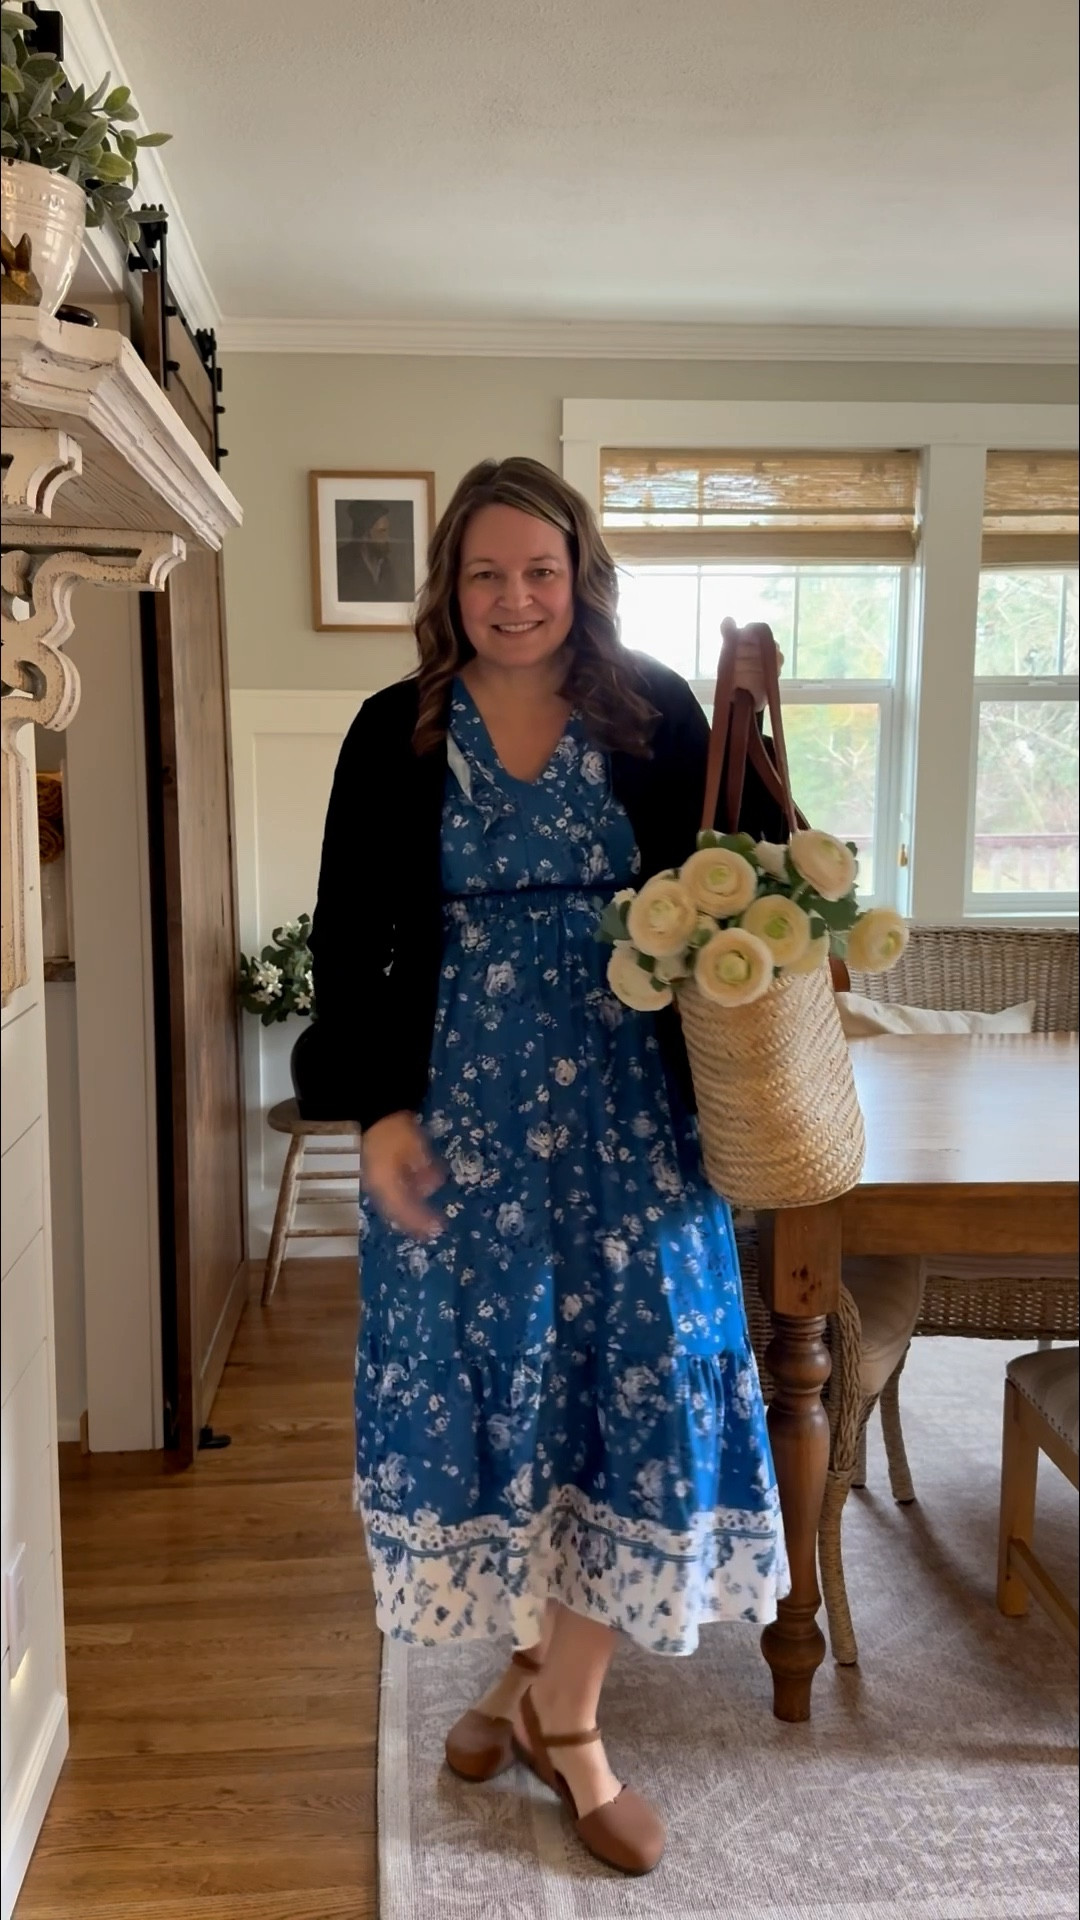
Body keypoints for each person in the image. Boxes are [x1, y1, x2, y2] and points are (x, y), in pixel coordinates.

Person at [310, 457, 787, 1878]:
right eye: (485, 574)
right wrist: (377, 1111)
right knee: (499, 1405)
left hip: (639, 1118)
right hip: (460, 1120)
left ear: (579, 572)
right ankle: (522, 1684)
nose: (516, 599)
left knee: (634, 1391)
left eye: (540, 569)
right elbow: (348, 934)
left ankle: (565, 1720)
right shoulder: (393, 729)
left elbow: (748, 880)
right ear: (448, 589)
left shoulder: (655, 710)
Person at [335, 500, 415, 604]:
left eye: (387, 531)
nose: (387, 538)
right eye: (382, 531)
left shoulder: (386, 566)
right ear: (364, 535)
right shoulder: (341, 562)